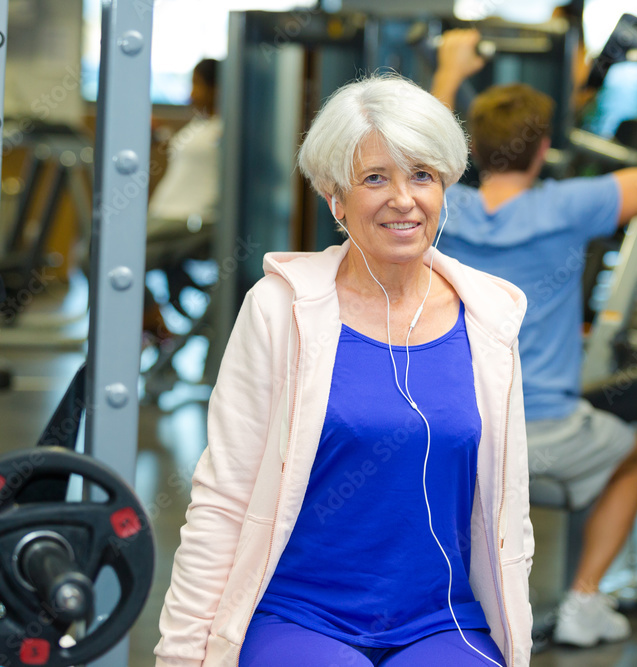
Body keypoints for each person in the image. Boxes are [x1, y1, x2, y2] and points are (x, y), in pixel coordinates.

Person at [155, 73, 535, 666]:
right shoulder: (279, 310)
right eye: (375, 178)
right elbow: (223, 498)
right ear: (336, 198)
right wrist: (180, 654)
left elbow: (511, 504)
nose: (403, 199)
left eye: (423, 176)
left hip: (446, 620)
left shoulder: (490, 316)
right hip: (301, 614)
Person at [431, 29, 637, 647]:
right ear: (544, 150)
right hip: (542, 436)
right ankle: (583, 601)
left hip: (455, 432)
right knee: (633, 453)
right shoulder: (568, 205)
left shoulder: (439, 203)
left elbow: (419, 152)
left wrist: (448, 70)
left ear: (468, 150)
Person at [143, 58, 223, 349]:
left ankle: (158, 331)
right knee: (96, 253)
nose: (192, 93)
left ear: (217, 88)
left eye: (197, 84)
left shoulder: (227, 129)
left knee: (105, 256)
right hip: (165, 218)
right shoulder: (201, 124)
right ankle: (157, 331)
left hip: (191, 222)